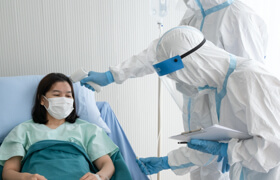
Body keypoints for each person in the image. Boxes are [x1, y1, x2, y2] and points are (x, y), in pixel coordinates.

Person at [80, 1, 268, 179]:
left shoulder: (238, 17)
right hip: (202, 107)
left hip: (234, 120)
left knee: (223, 167)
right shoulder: (194, 15)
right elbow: (161, 52)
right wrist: (113, 75)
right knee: (202, 161)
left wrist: (231, 150)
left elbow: (257, 119)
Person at [136, 26, 280, 180]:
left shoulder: (250, 78)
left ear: (192, 64)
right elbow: (208, 148)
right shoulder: (215, 90)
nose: (182, 84)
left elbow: (274, 147)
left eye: (179, 77)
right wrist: (166, 162)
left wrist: (228, 150)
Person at [0, 73, 122, 180]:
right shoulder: (23, 130)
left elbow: (107, 164)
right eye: (57, 95)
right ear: (42, 99)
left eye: (68, 96)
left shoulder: (88, 129)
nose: (63, 100)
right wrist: (25, 177)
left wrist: (100, 177)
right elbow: (8, 172)